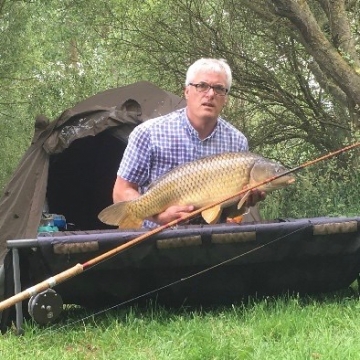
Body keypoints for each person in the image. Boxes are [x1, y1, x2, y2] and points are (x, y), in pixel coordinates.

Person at [113, 58, 265, 228]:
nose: (210, 94)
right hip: (157, 240)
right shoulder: (148, 133)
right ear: (186, 92)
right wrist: (159, 218)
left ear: (226, 98)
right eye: (201, 86)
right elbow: (121, 191)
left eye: (219, 89)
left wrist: (245, 202)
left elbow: (231, 212)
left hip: (211, 241)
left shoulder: (237, 142)